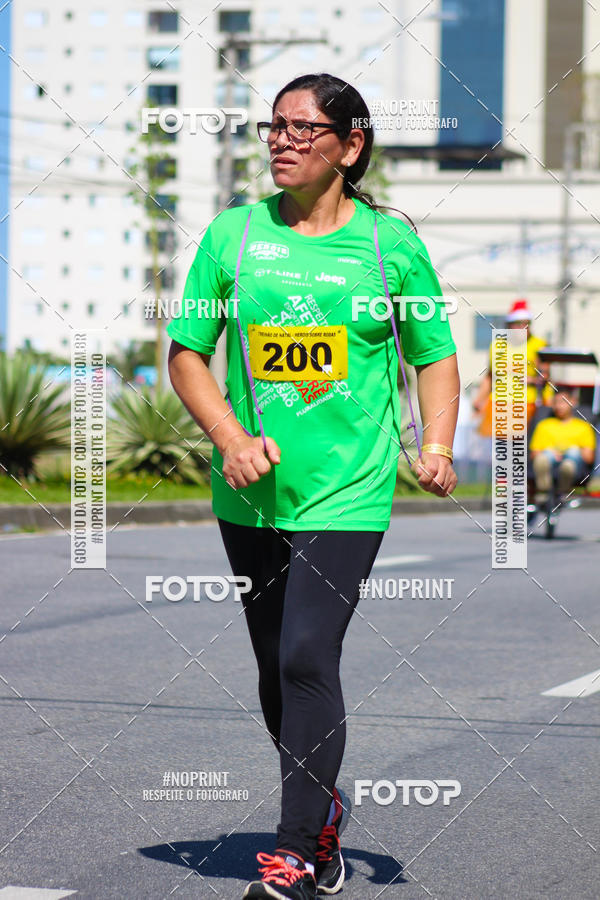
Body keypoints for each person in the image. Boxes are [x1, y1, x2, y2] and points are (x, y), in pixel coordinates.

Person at [167, 72, 459, 900]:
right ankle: (324, 807)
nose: (282, 141)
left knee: (305, 654)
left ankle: (296, 851)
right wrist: (228, 438)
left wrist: (434, 443)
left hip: (350, 492)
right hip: (252, 493)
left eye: (303, 129)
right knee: (273, 669)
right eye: (274, 127)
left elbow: (432, 351)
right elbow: (187, 353)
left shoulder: (386, 244)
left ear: (350, 145)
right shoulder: (233, 236)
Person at [472, 297, 551, 436]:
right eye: (518, 324)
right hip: (499, 401)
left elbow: (545, 376)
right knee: (485, 438)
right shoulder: (496, 346)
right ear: (509, 325)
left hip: (528, 402)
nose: (523, 328)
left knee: (515, 442)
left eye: (526, 324)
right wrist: (479, 400)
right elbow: (490, 377)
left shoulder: (540, 345)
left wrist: (531, 380)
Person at [530, 388, 596, 505]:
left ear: (572, 402)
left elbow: (589, 457)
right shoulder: (544, 426)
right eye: (556, 403)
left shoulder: (583, 427)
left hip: (573, 462)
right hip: (548, 460)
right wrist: (551, 452)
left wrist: (568, 452)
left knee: (571, 458)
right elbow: (534, 453)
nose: (559, 406)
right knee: (542, 458)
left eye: (563, 402)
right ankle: (544, 494)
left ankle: (562, 493)